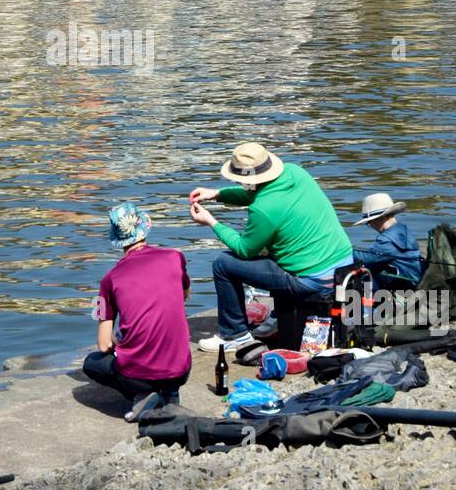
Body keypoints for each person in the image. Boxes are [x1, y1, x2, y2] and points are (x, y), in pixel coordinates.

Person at [190, 141, 353, 351]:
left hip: (313, 281)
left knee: (223, 264)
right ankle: (277, 318)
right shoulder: (295, 173)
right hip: (343, 265)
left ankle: (234, 335)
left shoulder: (263, 209)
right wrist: (217, 194)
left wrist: (212, 222)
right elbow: (258, 193)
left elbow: (245, 249)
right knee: (276, 247)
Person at [82, 202, 192, 422]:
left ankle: (141, 394)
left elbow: (104, 344)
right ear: (144, 227)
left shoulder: (109, 279)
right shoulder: (175, 257)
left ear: (115, 237)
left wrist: (115, 333)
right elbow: (184, 295)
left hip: (138, 375)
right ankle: (169, 392)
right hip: (181, 370)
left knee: (91, 363)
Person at [353, 193, 423, 287]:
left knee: (364, 275)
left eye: (369, 222)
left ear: (378, 219)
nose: (371, 226)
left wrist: (343, 250)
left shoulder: (387, 240)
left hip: (410, 285)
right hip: (416, 278)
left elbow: (367, 259)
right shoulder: (402, 230)